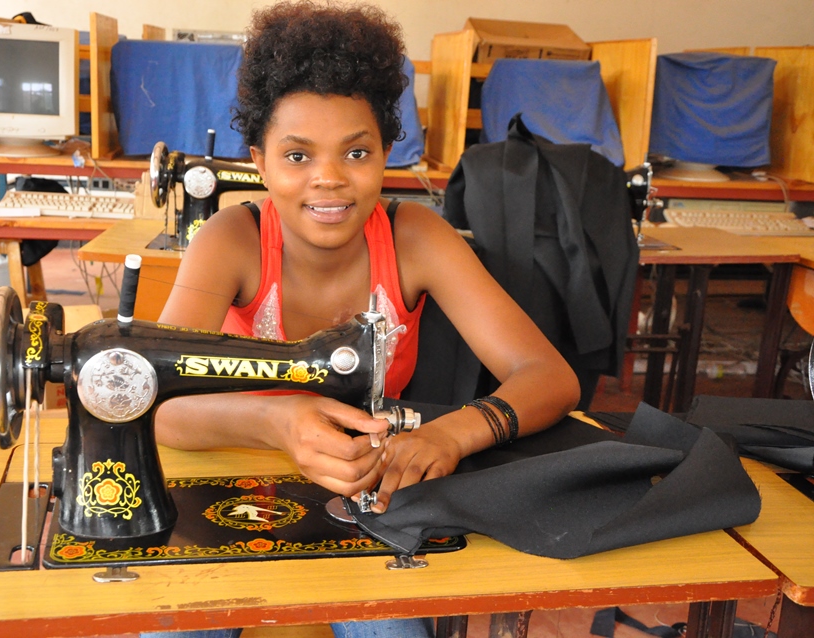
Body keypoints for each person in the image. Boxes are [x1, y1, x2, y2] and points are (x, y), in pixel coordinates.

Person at [151, 2, 580, 636]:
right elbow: (158, 401)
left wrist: (453, 434)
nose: (329, 179)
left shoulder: (415, 238)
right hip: (234, 471)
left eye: (356, 152)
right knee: (176, 622)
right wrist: (277, 421)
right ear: (260, 162)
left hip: (368, 485)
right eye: (298, 156)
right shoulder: (231, 240)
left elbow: (549, 375)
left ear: (385, 154)